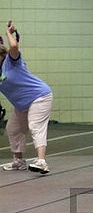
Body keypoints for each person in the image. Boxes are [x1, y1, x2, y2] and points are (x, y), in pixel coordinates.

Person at [0, 21, 53, 173]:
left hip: (40, 96)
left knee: (35, 125)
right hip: (22, 105)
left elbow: (14, 47)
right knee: (13, 128)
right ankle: (18, 161)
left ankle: (42, 161)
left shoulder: (11, 62)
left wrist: (9, 34)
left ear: (2, 55)